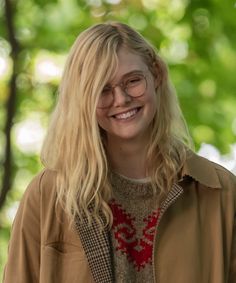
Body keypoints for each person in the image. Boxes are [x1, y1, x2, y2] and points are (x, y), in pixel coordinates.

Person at [3, 22, 236, 283]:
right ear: (83, 100)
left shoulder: (221, 192)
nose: (121, 98)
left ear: (156, 74)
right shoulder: (48, 194)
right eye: (103, 90)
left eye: (133, 81)